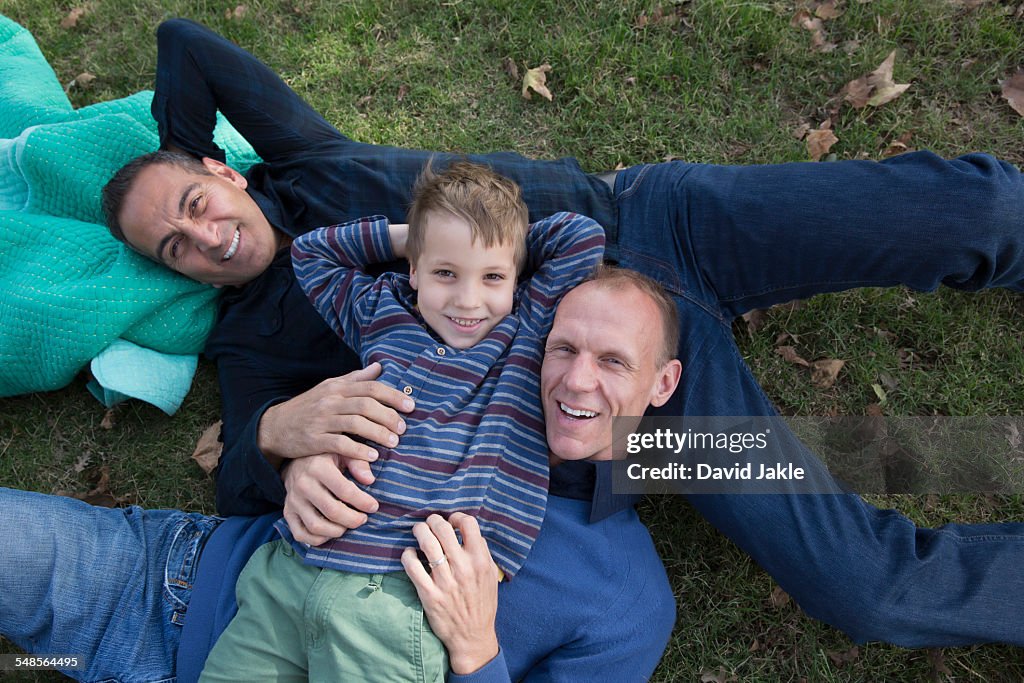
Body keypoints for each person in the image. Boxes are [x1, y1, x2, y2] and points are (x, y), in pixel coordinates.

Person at [101, 17, 1024, 646]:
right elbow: (236, 478)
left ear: (224, 173)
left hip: (660, 224)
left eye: (194, 203)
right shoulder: (251, 335)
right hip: (618, 395)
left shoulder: (305, 163)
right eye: (173, 247)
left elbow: (183, 43)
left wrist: (176, 150)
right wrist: (271, 435)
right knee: (860, 584)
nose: (207, 236)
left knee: (974, 211)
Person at [0, 267, 681, 683]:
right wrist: (285, 454)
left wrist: (477, 650)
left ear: (662, 382)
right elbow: (236, 485)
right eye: (563, 347)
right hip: (161, 579)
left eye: (614, 361)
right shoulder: (440, 395)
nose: (577, 378)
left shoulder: (629, 599)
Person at [201, 160, 604, 681]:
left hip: (397, 596)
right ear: (412, 270)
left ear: (515, 277)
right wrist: (414, 236)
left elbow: (582, 238)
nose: (467, 300)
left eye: (493, 277)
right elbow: (310, 252)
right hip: (289, 572)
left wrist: (493, 235)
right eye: (444, 272)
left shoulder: (524, 330)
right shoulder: (382, 311)